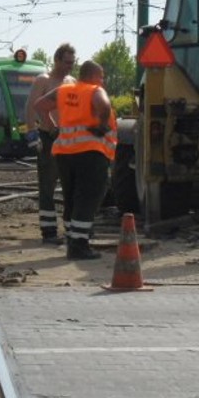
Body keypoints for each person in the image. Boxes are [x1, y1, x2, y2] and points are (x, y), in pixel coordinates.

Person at [38, 60, 116, 260]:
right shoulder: (94, 90)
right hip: (91, 152)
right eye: (101, 76)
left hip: (65, 152)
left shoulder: (64, 91)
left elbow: (40, 106)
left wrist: (53, 128)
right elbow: (104, 106)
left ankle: (73, 240)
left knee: (71, 197)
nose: (102, 80)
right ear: (92, 76)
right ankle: (79, 246)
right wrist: (100, 126)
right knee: (89, 197)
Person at [23, 43, 76, 245]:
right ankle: (49, 231)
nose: (69, 66)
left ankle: (71, 229)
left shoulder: (72, 81)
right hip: (48, 137)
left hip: (69, 138)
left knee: (70, 184)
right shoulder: (43, 80)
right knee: (47, 185)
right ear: (57, 60)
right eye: (66, 62)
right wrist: (31, 133)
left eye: (72, 62)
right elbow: (32, 106)